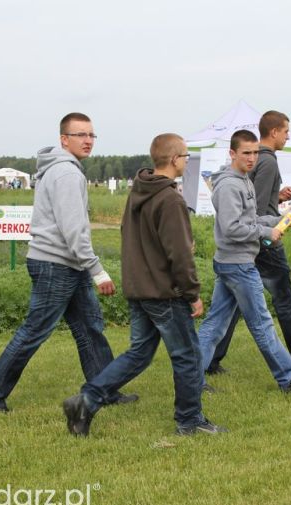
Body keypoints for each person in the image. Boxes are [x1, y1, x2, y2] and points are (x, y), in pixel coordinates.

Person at [0, 112, 136, 413]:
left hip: (65, 264)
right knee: (34, 332)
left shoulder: (61, 170)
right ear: (64, 139)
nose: (88, 141)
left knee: (90, 328)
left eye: (91, 135)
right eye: (80, 135)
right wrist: (98, 271)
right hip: (56, 265)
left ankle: (104, 391)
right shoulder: (68, 174)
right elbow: (74, 231)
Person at [63, 134, 225, 436]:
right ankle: (190, 421)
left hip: (140, 289)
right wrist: (192, 294)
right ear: (175, 159)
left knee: (139, 353)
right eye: (186, 156)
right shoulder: (171, 199)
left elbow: (131, 238)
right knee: (188, 356)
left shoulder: (138, 191)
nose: (188, 161)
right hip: (165, 293)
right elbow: (179, 253)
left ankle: (86, 401)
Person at [206, 111, 291, 375]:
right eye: (286, 131)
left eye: (253, 153)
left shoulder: (254, 166)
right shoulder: (266, 163)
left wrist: (277, 202)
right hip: (261, 242)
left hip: (251, 241)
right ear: (274, 131)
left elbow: (251, 205)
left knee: (227, 310)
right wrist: (273, 227)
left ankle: (209, 360)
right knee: (279, 303)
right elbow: (247, 212)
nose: (288, 136)